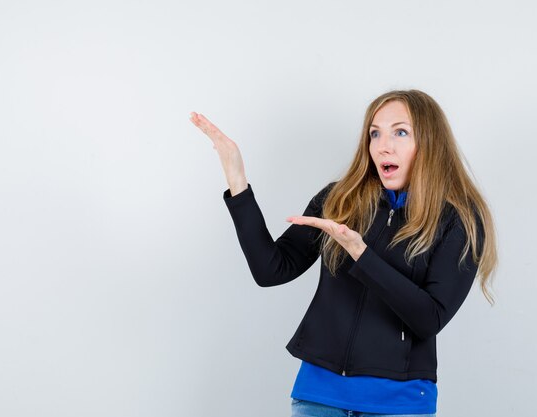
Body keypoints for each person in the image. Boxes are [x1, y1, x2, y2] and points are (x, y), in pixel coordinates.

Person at [189, 89, 497, 417]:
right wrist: (237, 180)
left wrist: (359, 252)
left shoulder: (459, 219)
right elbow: (271, 270)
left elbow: (429, 318)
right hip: (318, 398)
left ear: (431, 143)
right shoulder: (341, 200)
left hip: (399, 404)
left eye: (400, 132)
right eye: (374, 133)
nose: (383, 145)